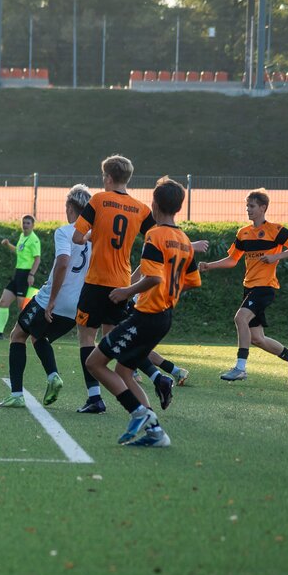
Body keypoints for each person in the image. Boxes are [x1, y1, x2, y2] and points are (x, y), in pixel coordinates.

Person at [85, 176, 201, 448]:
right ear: (179, 207)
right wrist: (170, 292)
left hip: (147, 315)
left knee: (94, 363)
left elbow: (154, 278)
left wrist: (126, 291)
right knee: (124, 370)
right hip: (164, 317)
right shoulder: (184, 240)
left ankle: (139, 412)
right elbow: (193, 281)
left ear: (154, 205)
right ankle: (155, 432)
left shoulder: (155, 235)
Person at [72, 155, 175, 414]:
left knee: (87, 337)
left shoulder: (98, 200)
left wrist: (90, 235)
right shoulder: (140, 208)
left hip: (96, 282)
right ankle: (158, 378)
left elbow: (77, 237)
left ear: (108, 177)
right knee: (114, 341)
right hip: (122, 284)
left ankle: (94, 397)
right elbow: (159, 235)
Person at [0, 185, 92, 408]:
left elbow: (63, 263)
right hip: (77, 305)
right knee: (39, 337)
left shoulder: (65, 232)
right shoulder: (94, 237)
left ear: (70, 208)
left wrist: (51, 301)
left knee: (17, 335)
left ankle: (17, 394)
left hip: (52, 298)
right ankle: (52, 376)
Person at [198, 188, 288, 384]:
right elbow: (232, 260)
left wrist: (275, 256)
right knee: (257, 338)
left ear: (263, 208)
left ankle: (240, 368)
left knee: (240, 318)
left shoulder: (275, 230)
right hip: (249, 288)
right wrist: (209, 266)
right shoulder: (243, 233)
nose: (248, 209)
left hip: (265, 287)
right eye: (247, 206)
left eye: (252, 206)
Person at [0, 215, 41, 339]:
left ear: (33, 225)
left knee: (23, 307)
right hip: (17, 274)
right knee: (3, 302)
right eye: (24, 222)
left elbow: (37, 259)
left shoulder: (34, 240)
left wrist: (31, 274)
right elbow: (18, 250)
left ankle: (34, 332)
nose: (25, 225)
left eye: (28, 223)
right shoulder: (22, 236)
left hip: (25, 274)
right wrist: (8, 244)